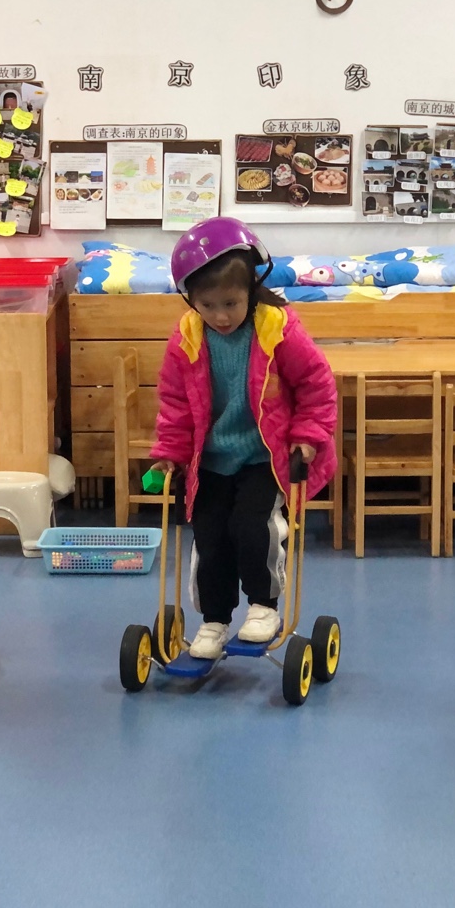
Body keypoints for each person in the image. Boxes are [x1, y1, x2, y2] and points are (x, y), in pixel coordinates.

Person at [149, 217, 337, 659]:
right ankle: (214, 620)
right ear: (191, 300)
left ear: (252, 287)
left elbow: (316, 383)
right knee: (210, 537)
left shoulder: (276, 328)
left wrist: (308, 435)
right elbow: (175, 403)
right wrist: (170, 452)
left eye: (231, 303)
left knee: (253, 527)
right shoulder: (187, 338)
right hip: (211, 461)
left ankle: (263, 606)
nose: (220, 316)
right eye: (207, 305)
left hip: (264, 458)